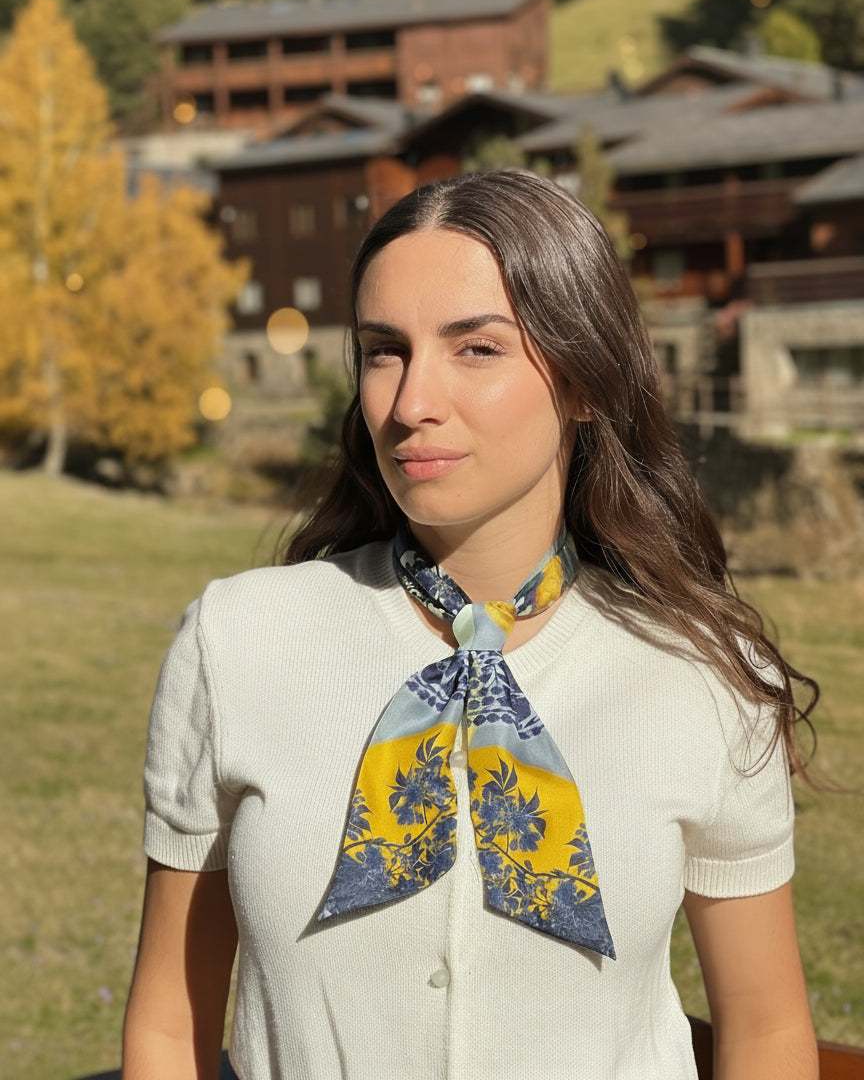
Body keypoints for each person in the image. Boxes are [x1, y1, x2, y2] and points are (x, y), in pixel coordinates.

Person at [123, 170, 819, 1080]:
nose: (412, 402)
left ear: (583, 378)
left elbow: (766, 1032)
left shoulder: (701, 676)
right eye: (385, 351)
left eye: (477, 348)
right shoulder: (237, 643)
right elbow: (168, 1028)